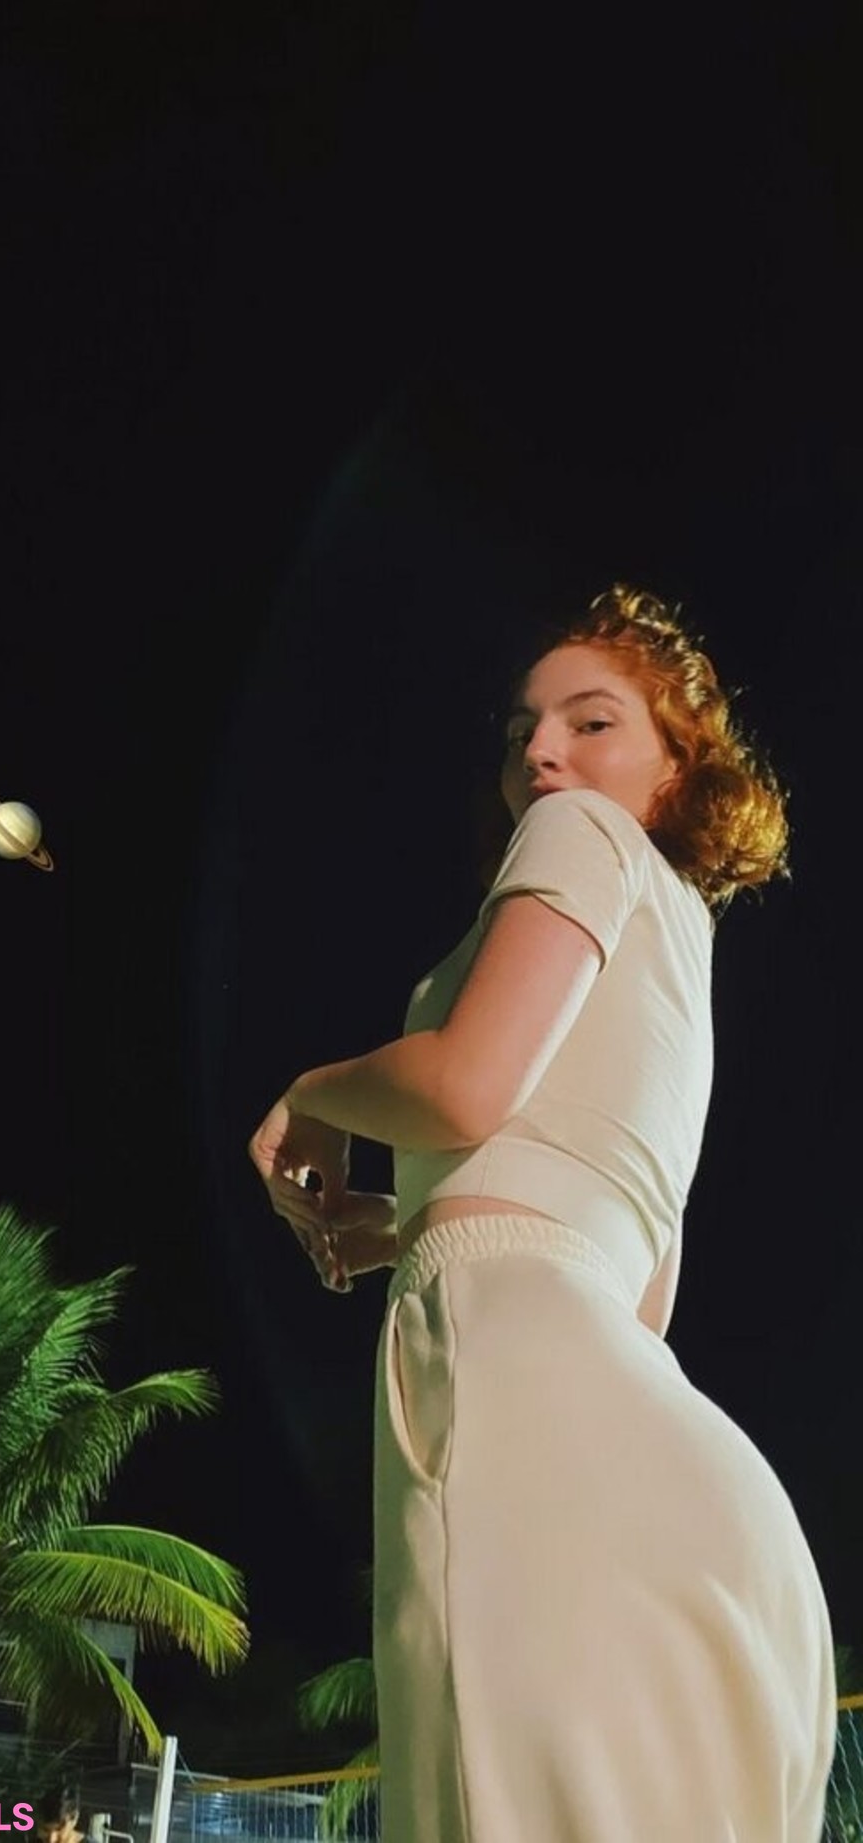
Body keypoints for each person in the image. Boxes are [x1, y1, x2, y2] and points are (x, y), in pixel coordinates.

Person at [247, 583, 837, 1842]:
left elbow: (463, 1085)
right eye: (522, 731)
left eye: (592, 720)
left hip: (517, 1403)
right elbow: (636, 1286)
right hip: (704, 1509)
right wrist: (413, 1224)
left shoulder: (577, 835)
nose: (543, 755)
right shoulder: (683, 947)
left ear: (679, 763)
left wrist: (312, 1094)